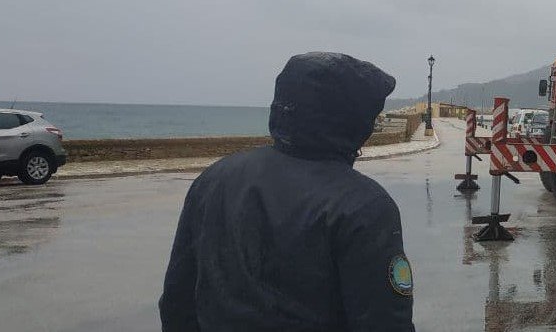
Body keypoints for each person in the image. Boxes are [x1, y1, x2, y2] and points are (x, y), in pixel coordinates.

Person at [160, 52, 416, 332]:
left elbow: (177, 303)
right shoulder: (364, 206)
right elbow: (385, 322)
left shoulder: (213, 179)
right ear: (354, 120)